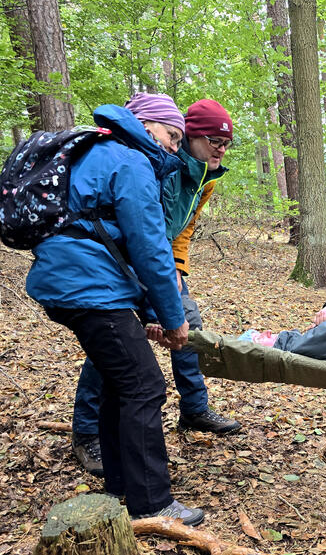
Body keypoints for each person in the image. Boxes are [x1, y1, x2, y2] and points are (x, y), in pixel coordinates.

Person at [26, 94, 203, 525]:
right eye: (170, 135)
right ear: (145, 124)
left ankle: (120, 483)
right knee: (145, 386)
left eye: (181, 139)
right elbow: (149, 249)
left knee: (116, 383)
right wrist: (174, 318)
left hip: (75, 281)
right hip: (89, 286)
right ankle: (153, 503)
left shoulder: (101, 153)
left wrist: (151, 313)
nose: (175, 147)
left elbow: (119, 243)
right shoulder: (131, 161)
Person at [71, 99, 240, 477]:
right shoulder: (163, 165)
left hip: (156, 262)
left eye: (226, 143)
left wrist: (177, 270)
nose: (220, 148)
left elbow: (183, 230)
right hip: (122, 263)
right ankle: (85, 432)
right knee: (115, 339)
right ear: (190, 135)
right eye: (213, 139)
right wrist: (156, 286)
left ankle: (195, 409)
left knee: (186, 323)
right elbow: (144, 229)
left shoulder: (205, 178)